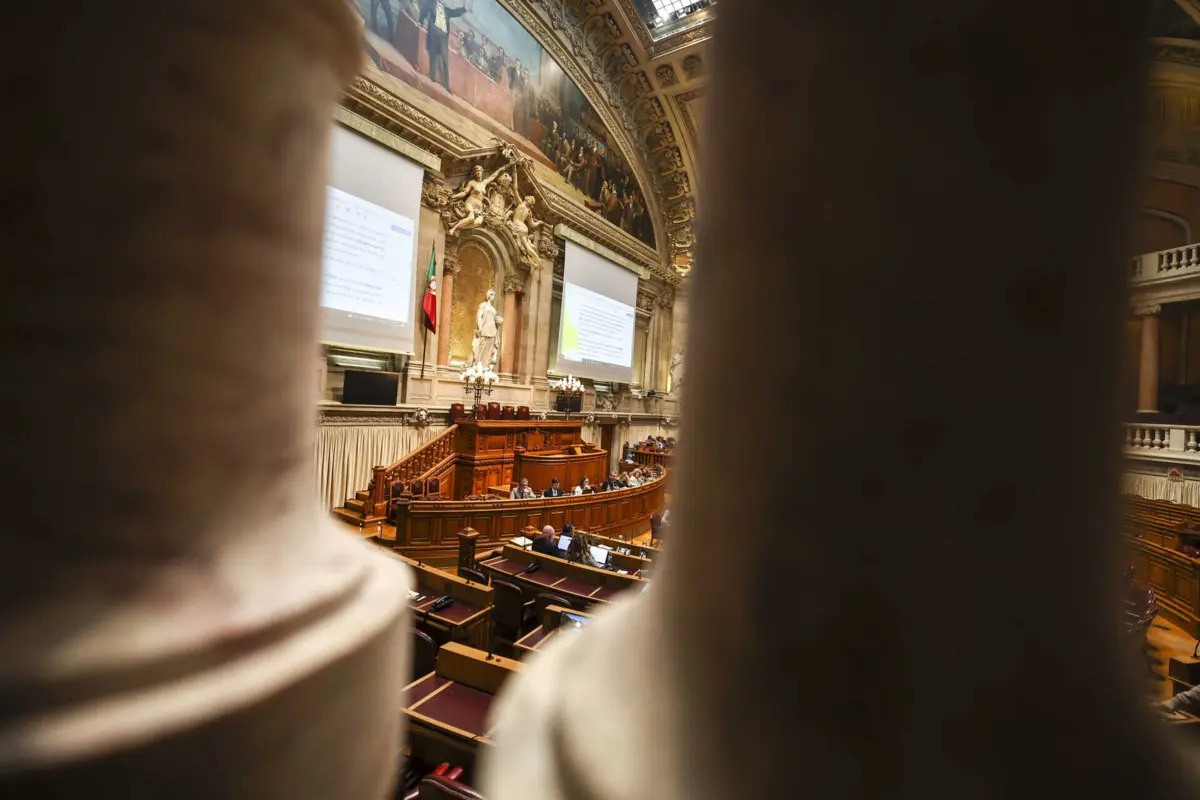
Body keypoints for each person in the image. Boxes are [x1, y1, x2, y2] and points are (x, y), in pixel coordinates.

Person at [418, 0, 470, 93]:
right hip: (434, 32)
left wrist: (464, 9)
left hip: (443, 37)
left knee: (445, 60)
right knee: (433, 55)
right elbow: (424, 10)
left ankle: (446, 86)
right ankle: (432, 78)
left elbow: (455, 13)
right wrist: (420, 21)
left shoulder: (446, 10)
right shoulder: (431, 4)